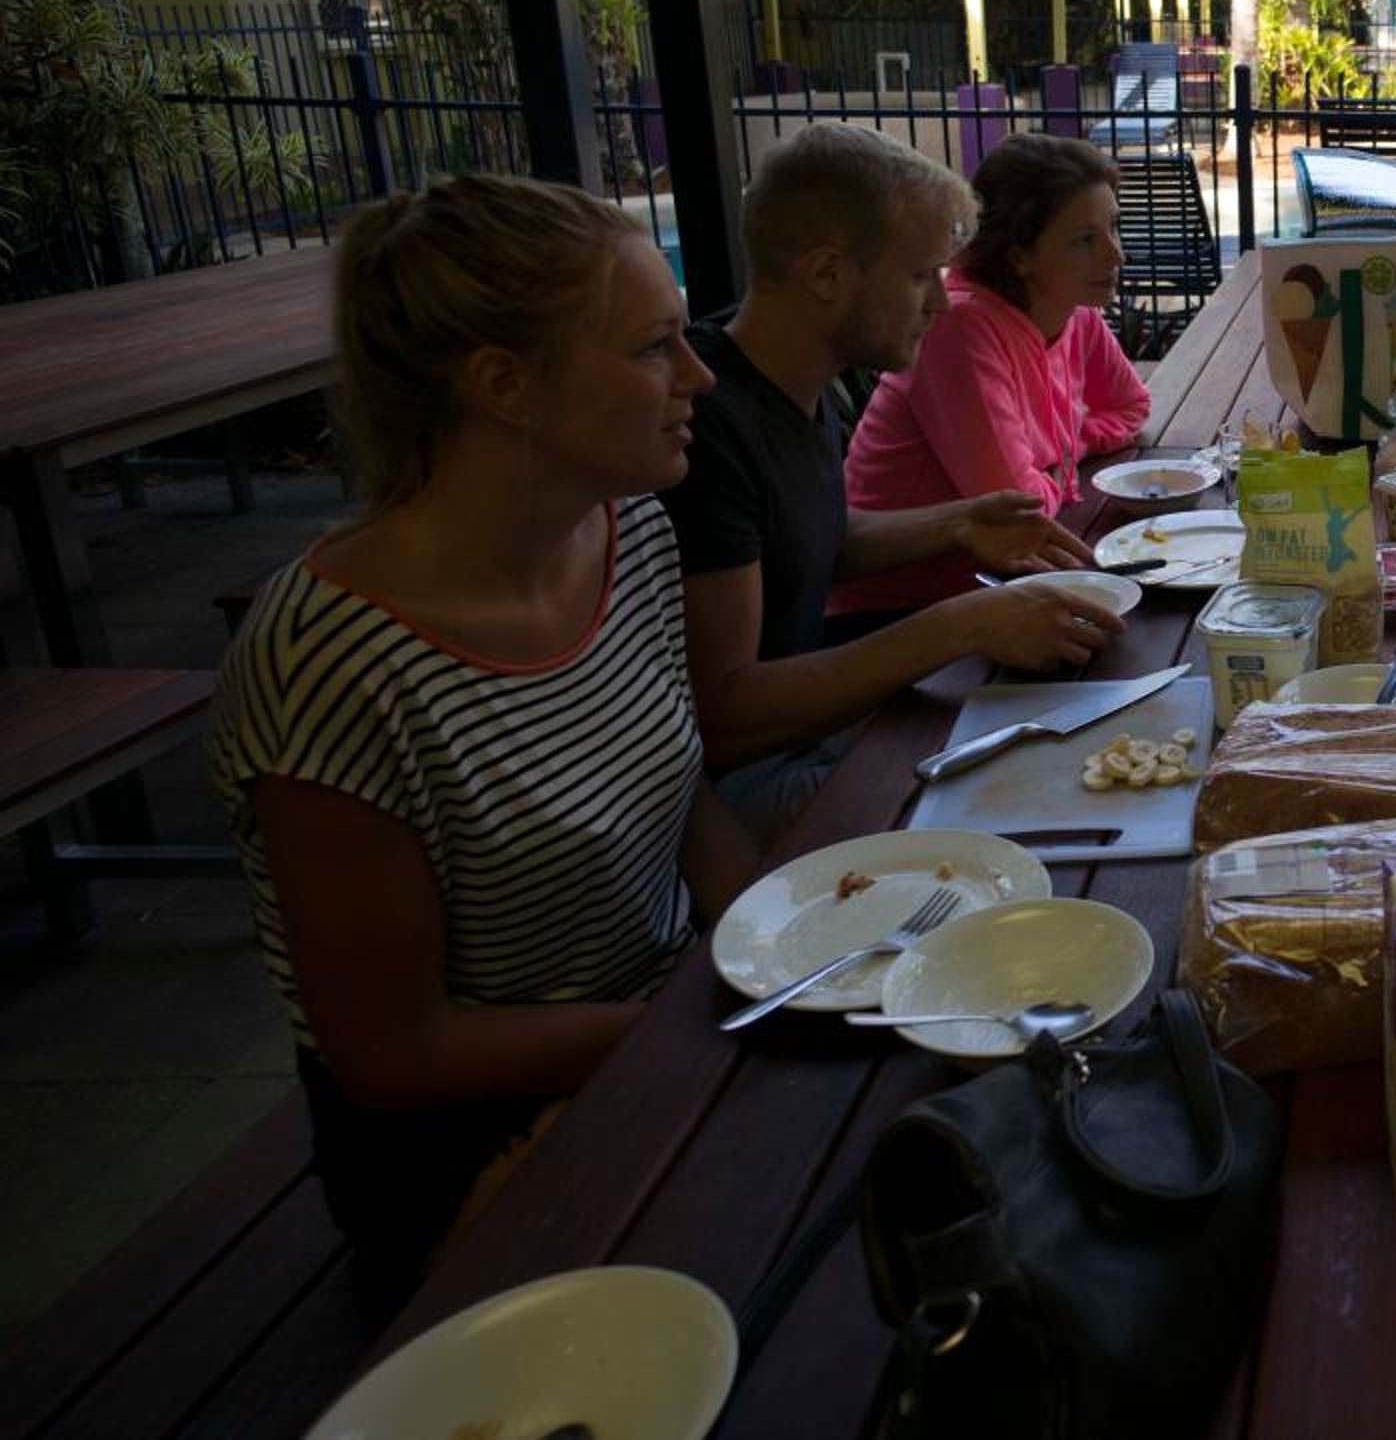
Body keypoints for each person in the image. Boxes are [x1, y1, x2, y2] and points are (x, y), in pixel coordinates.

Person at [209, 176, 764, 1297]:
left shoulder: (631, 533)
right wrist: (700, 1021)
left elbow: (682, 793)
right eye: (653, 347)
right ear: (505, 386)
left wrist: (775, 950)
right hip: (466, 1141)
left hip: (666, 1029)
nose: (698, 374)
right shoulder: (332, 662)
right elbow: (395, 1054)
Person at [660, 126, 1122, 824]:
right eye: (918, 277)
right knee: (1061, 789)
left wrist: (958, 524)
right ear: (827, 276)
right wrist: (960, 624)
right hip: (748, 779)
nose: (941, 301)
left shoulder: (788, 377)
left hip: (819, 723)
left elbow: (807, 540)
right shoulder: (710, 429)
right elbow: (723, 718)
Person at [832, 133, 1152, 617]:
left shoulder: (1075, 311)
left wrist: (1068, 452)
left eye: (1113, 227)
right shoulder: (959, 326)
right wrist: (1055, 471)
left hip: (1000, 589)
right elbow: (1016, 508)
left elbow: (1131, 406)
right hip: (895, 612)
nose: (1115, 255)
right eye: (1085, 240)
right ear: (1019, 255)